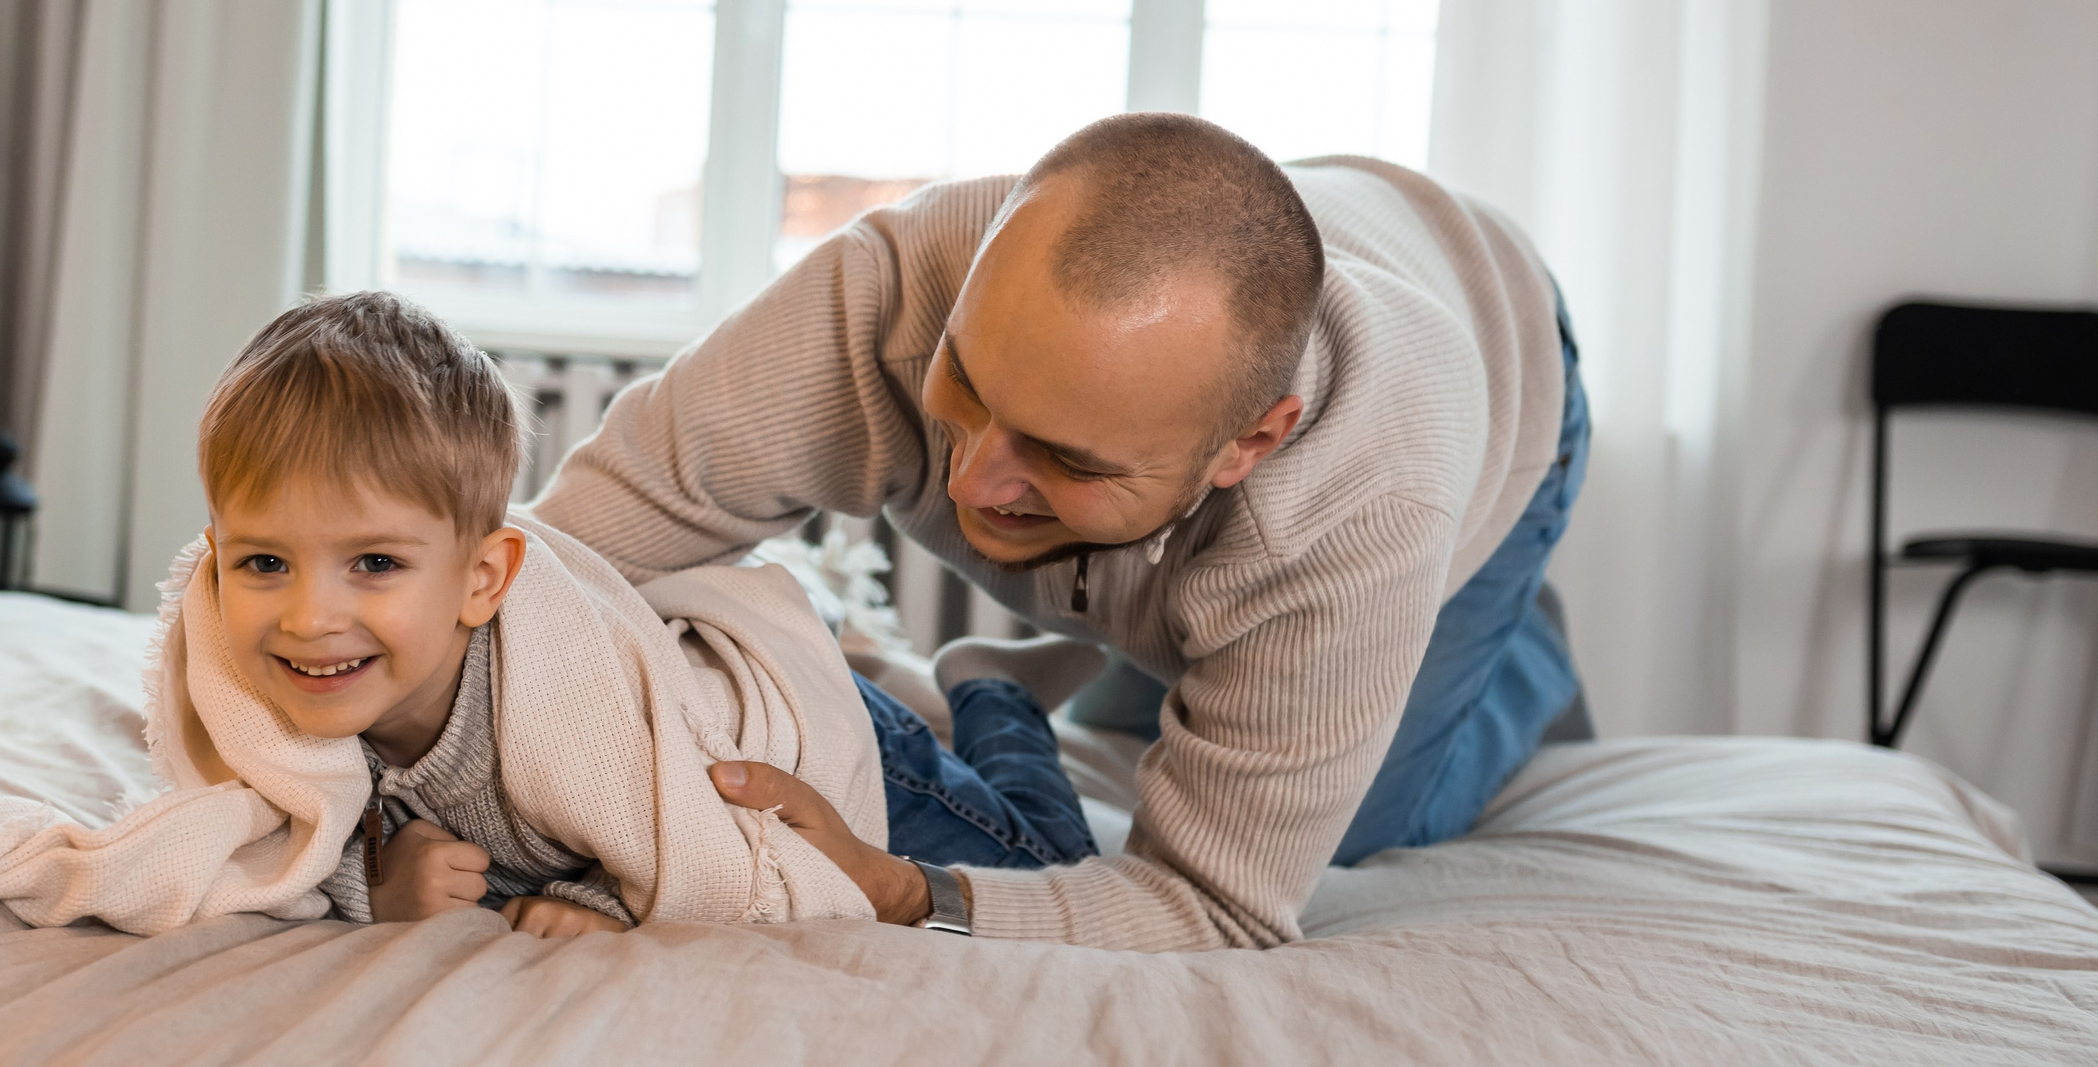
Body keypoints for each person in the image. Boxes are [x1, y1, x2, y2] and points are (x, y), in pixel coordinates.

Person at [534, 113, 1589, 952]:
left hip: (1501, 358)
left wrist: (911, 893)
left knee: (1355, 829)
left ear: (1248, 444)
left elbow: (1216, 906)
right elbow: (547, 568)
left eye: (1068, 460)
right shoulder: (882, 297)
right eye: (964, 384)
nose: (974, 480)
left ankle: (1512, 642)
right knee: (1162, 721)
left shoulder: (1365, 504)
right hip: (1307, 267)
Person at [194, 292, 1107, 937]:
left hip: (794, 752)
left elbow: (684, 832)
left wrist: (609, 898)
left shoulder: (556, 695)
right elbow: (270, 837)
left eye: (375, 564)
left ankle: (994, 692)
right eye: (265, 562)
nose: (310, 616)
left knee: (1043, 871)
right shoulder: (270, 683)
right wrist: (378, 890)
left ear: (483, 579)